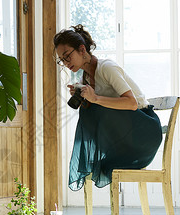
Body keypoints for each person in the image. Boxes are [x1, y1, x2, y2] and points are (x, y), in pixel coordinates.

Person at [54, 24, 163, 191]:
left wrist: (95, 98)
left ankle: (93, 155)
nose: (65, 63)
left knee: (94, 109)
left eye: (67, 56)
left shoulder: (106, 67)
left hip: (144, 131)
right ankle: (96, 156)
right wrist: (83, 96)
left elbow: (132, 104)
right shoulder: (87, 76)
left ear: (82, 50)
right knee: (88, 109)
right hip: (128, 133)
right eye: (62, 60)